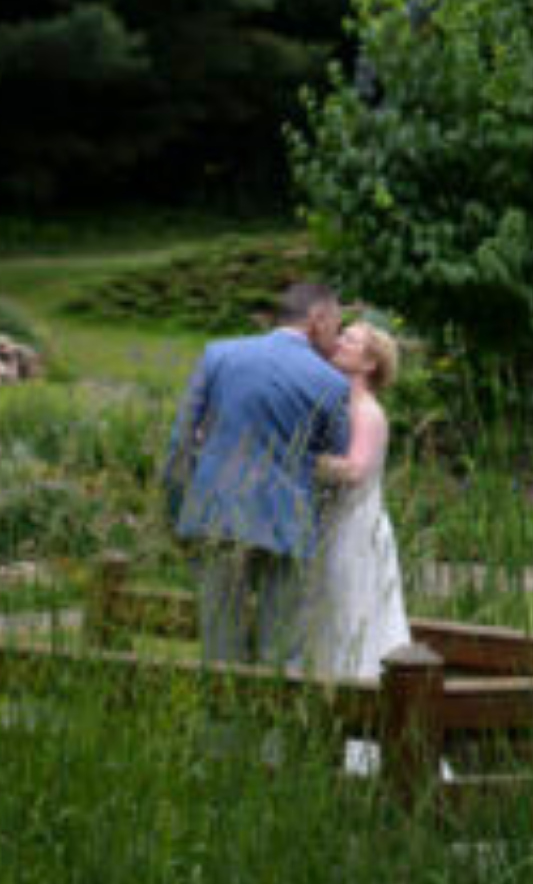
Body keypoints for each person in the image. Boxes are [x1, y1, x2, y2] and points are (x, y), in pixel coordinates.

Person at [163, 283, 349, 668]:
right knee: (281, 653)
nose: (337, 336)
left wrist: (179, 511)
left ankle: (219, 728)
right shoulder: (331, 383)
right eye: (337, 324)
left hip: (217, 516)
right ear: (317, 319)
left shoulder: (219, 355)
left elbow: (179, 443)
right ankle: (274, 729)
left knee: (219, 649)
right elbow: (336, 460)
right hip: (289, 525)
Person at [302, 321, 410, 681]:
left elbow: (354, 471)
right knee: (322, 616)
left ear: (369, 364)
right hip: (329, 526)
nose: (340, 341)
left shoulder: (367, 412)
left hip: (355, 533)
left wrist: (301, 459)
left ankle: (360, 719)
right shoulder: (334, 403)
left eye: (350, 340)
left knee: (352, 614)